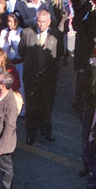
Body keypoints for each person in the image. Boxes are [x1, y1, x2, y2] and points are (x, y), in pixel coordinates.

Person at [19, 9, 63, 143]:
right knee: (32, 105)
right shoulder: (27, 33)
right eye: (39, 21)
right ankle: (30, 133)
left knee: (47, 104)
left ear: (49, 22)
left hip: (48, 77)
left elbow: (60, 53)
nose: (41, 25)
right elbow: (22, 51)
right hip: (31, 76)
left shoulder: (56, 35)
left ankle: (45, 130)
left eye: (44, 22)